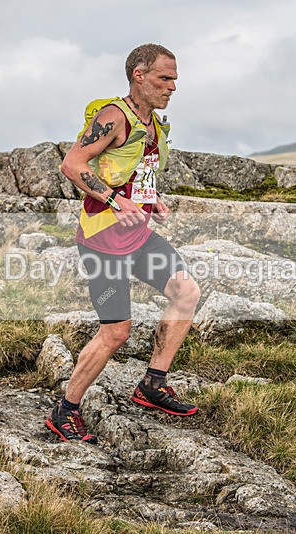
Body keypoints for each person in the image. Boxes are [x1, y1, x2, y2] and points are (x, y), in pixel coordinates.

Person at [45, 44, 201, 444]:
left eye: (175, 80)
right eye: (165, 79)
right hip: (103, 240)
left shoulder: (152, 123)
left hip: (137, 234)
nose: (172, 87)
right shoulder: (113, 117)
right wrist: (117, 200)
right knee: (116, 333)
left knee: (186, 292)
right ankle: (66, 410)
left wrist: (150, 200)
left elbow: (130, 171)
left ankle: (153, 383)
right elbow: (72, 164)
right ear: (139, 76)